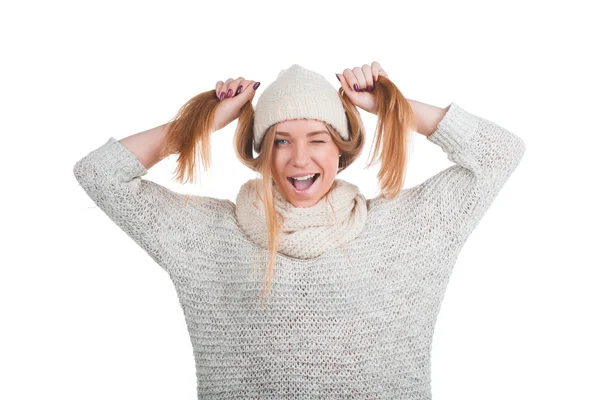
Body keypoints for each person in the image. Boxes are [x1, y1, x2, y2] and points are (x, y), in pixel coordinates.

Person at [73, 62, 526, 398]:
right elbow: (98, 174)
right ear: (261, 150)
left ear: (341, 150)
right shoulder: (207, 237)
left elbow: (500, 153)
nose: (300, 159)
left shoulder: (407, 229)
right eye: (280, 140)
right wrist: (203, 121)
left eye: (318, 139)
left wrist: (391, 105)